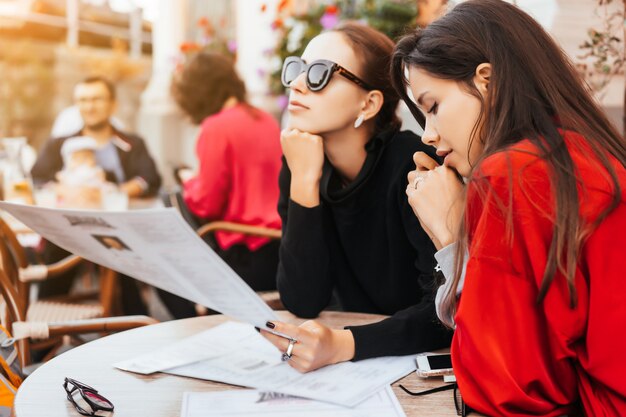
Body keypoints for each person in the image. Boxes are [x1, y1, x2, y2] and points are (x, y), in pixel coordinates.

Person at [391, 1, 626, 415]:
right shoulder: (580, 151)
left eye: (433, 107)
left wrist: (449, 237)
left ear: (487, 81)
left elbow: (505, 386)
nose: (428, 135)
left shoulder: (512, 174)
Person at [259, 22, 452, 373]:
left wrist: (343, 344)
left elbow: (443, 311)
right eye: (296, 69)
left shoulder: (416, 165)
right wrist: (304, 181)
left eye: (319, 73)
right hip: (346, 367)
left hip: (415, 369)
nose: (298, 85)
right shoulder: (302, 162)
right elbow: (303, 299)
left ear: (369, 102)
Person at [161, 52, 283, 319]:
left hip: (242, 253)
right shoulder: (265, 119)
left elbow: (206, 204)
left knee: (164, 270)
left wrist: (189, 180)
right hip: (279, 249)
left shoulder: (216, 127)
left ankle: (199, 331)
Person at [30, 76, 162, 315]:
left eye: (97, 99)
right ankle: (43, 328)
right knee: (56, 253)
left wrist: (112, 193)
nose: (89, 106)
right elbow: (38, 178)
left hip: (120, 229)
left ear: (113, 105)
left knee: (128, 266)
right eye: (83, 100)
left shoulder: (132, 143)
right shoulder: (61, 145)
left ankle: (135, 322)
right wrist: (68, 190)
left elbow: (149, 179)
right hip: (70, 228)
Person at [56, 136, 107, 209]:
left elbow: (102, 183)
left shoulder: (95, 171)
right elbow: (61, 183)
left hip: (92, 199)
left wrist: (100, 178)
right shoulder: (68, 173)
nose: (84, 161)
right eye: (79, 158)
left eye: (88, 157)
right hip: (72, 200)